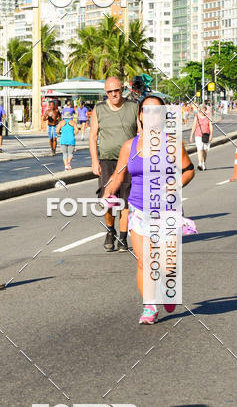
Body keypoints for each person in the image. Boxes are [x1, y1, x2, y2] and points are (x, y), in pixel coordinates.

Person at [103, 95, 195, 324]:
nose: (151, 115)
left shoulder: (173, 144)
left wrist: (175, 185)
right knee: (144, 262)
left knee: (167, 265)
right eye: (146, 110)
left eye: (157, 111)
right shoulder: (129, 146)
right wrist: (109, 190)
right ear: (140, 116)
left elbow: (189, 170)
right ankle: (150, 307)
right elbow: (118, 174)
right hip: (139, 209)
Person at [89, 77, 138, 252]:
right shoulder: (99, 109)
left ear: (122, 89)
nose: (113, 94)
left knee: (126, 200)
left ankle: (123, 238)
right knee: (108, 199)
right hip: (107, 161)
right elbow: (93, 136)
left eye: (116, 90)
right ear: (106, 93)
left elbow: (141, 132)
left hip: (129, 161)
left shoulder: (134, 107)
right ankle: (110, 231)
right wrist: (95, 161)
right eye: (109, 92)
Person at [189, 104, 213, 170]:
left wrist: (211, 135)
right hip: (198, 135)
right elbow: (194, 126)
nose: (203, 111)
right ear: (200, 110)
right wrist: (191, 135)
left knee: (205, 150)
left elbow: (210, 126)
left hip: (206, 135)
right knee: (199, 149)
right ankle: (200, 163)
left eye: (204, 110)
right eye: (202, 110)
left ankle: (203, 163)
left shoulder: (208, 117)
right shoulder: (197, 117)